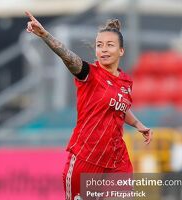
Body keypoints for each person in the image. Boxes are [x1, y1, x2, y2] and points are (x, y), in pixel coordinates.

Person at [25, 11, 153, 200]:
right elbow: (67, 56)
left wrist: (137, 124)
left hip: (117, 159)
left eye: (110, 45)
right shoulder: (89, 74)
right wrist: (45, 35)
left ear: (121, 51)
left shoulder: (126, 82)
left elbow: (118, 107)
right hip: (86, 158)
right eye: (100, 45)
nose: (104, 50)